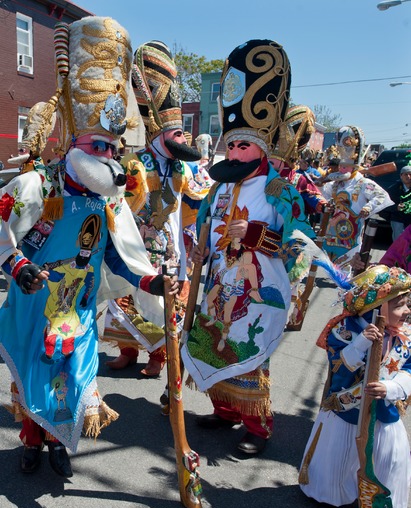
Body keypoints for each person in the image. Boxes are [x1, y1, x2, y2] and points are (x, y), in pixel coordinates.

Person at [0, 17, 177, 478]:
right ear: (75, 142)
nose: (108, 158)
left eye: (113, 148)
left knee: (74, 379)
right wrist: (16, 265)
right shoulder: (39, 185)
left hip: (78, 308)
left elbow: (117, 253)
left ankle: (60, 441)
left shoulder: (108, 201)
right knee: (37, 375)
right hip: (34, 305)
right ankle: (32, 441)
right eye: (98, 145)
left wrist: (148, 280)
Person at [181, 38, 315, 455]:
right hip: (219, 279)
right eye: (232, 145)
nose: (235, 152)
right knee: (215, 341)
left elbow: (302, 244)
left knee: (249, 350)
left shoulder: (280, 191)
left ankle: (258, 426)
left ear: (261, 146)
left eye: (244, 145)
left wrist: (256, 236)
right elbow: (202, 227)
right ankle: (225, 410)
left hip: (257, 287)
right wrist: (198, 253)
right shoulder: (219, 187)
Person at [103, 41, 210, 376]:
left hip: (169, 249)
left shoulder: (184, 168)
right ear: (161, 132)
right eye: (177, 133)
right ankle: (128, 349)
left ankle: (159, 357)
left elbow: (193, 208)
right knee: (126, 300)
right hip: (137, 248)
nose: (183, 139)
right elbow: (119, 206)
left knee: (164, 305)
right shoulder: (135, 163)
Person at [299, 264, 411, 508]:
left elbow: (410, 370)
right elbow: (339, 368)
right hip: (346, 411)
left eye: (407, 303)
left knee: (386, 458)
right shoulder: (344, 329)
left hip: (383, 412)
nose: (406, 311)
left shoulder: (404, 337)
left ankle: (380, 502)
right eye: (399, 305)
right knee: (337, 459)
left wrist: (392, 387)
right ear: (375, 306)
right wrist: (361, 343)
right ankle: (331, 496)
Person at [320, 125, 393, 268]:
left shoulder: (364, 183)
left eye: (344, 167)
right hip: (333, 232)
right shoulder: (336, 184)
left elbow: (382, 196)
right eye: (340, 166)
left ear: (354, 167)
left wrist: (368, 207)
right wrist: (319, 183)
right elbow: (324, 194)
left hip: (352, 233)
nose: (341, 170)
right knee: (332, 267)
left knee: (349, 269)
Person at [380, 165, 411, 241]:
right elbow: (384, 204)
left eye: (410, 174)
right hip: (398, 218)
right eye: (405, 174)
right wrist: (396, 207)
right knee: (399, 241)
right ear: (401, 176)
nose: (408, 176)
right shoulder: (393, 189)